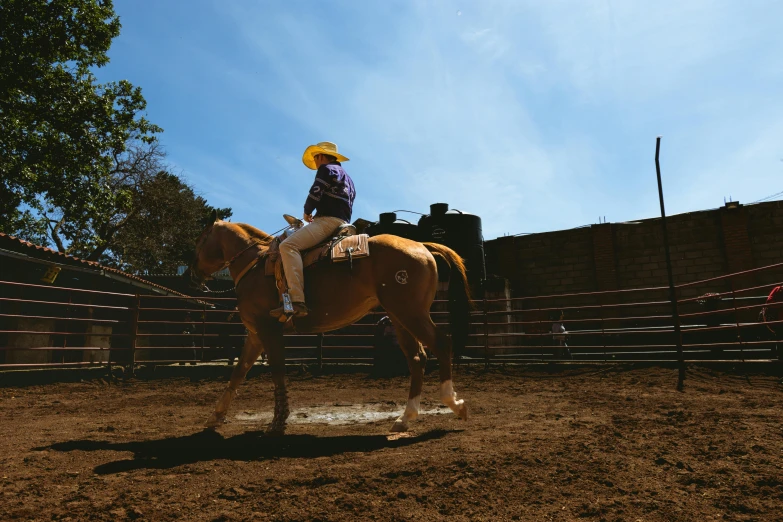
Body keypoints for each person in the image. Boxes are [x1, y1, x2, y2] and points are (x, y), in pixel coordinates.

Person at [270, 142, 356, 318]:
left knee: (288, 246)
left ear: (321, 156)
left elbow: (316, 191)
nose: (315, 163)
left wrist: (307, 211)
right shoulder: (349, 179)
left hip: (327, 222)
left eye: (315, 158)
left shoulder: (327, 169)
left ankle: (296, 300)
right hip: (344, 223)